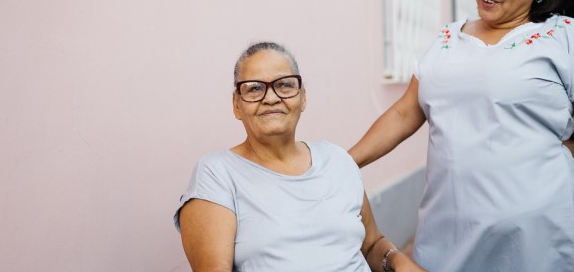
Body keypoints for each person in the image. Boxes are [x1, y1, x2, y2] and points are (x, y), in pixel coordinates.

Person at [349, 0, 574, 272]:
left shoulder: (566, 37)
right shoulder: (447, 40)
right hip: (446, 236)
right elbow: (404, 113)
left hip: (535, 240)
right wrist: (342, 163)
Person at [174, 42, 426, 272]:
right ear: (236, 105)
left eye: (284, 84)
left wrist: (395, 259)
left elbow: (372, 245)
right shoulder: (217, 174)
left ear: (303, 97)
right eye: (254, 88)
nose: (271, 97)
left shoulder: (337, 159)